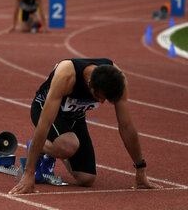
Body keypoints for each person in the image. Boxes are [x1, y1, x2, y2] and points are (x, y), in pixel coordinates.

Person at [9, 58, 162, 194]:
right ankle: (41, 148)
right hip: (45, 108)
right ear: (89, 84)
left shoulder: (118, 80)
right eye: (99, 97)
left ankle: (53, 147)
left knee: (86, 179)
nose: (101, 102)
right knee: (68, 144)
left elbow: (126, 126)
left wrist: (140, 169)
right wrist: (28, 173)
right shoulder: (66, 75)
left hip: (76, 116)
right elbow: (44, 124)